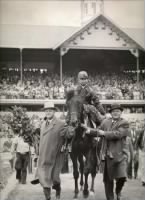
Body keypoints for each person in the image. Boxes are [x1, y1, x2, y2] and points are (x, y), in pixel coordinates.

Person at [83, 103, 131, 200]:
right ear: (111, 113)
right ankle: (110, 198)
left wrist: (104, 133)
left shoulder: (124, 123)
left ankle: (118, 190)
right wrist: (87, 130)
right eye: (113, 111)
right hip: (107, 156)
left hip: (120, 155)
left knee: (121, 177)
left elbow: (118, 134)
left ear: (121, 112)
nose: (115, 113)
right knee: (108, 181)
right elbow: (98, 131)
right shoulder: (106, 122)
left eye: (117, 111)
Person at [31, 102, 72, 200]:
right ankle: (48, 198)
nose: (48, 112)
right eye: (46, 110)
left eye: (50, 110)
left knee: (55, 178)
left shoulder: (61, 123)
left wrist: (71, 129)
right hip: (43, 156)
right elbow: (41, 141)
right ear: (44, 112)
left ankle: (58, 192)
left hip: (55, 156)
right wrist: (37, 153)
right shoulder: (42, 124)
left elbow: (68, 135)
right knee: (44, 179)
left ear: (54, 111)